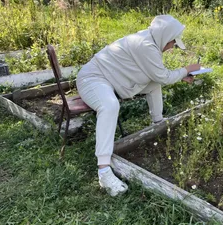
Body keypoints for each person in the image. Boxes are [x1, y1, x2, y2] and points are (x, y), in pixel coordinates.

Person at [76, 15, 201, 196]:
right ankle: (103, 171)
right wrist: (187, 70)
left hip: (111, 80)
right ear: (165, 37)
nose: (173, 46)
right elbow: (163, 76)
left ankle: (158, 123)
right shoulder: (146, 46)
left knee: (153, 85)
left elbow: (157, 77)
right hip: (93, 79)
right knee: (109, 106)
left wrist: (181, 75)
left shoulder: (150, 41)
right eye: (173, 42)